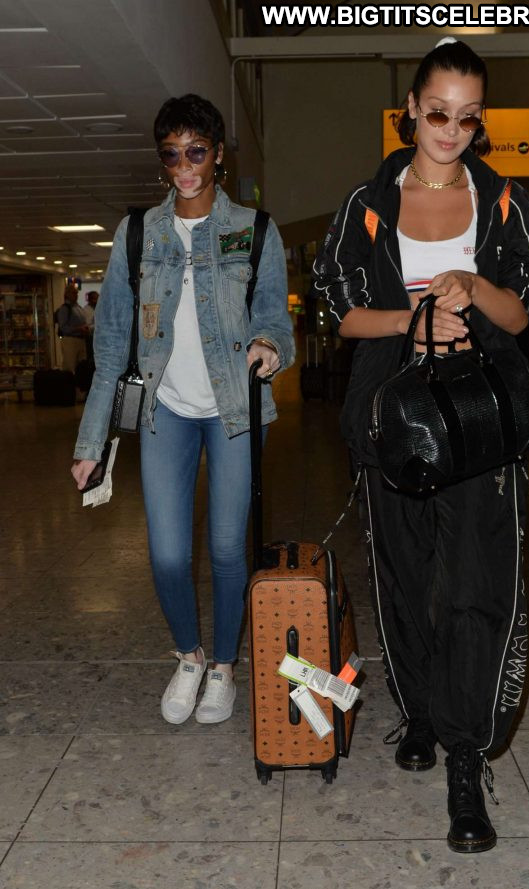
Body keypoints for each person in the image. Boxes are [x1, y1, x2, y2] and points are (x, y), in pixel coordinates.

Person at [313, 37, 529, 854]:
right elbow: (341, 313)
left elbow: (520, 313)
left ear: (480, 122)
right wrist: (411, 319)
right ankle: (417, 708)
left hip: (480, 418)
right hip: (396, 415)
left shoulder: (505, 203)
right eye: (438, 113)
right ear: (410, 111)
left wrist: (474, 287)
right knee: (405, 572)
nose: (451, 130)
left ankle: (464, 755)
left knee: (476, 585)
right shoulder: (367, 203)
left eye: (468, 117)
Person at [71, 94, 294, 726]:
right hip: (163, 408)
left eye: (196, 152)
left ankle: (223, 665)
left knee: (226, 549)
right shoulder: (138, 232)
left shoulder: (255, 229)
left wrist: (268, 344)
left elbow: (276, 318)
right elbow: (111, 344)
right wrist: (91, 442)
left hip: (234, 411)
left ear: (219, 154)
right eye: (171, 155)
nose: (184, 167)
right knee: (167, 554)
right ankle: (189, 656)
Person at [55, 283, 89, 373]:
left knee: (82, 367)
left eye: (76, 293)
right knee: (70, 366)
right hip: (70, 340)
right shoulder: (65, 309)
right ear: (67, 294)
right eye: (73, 293)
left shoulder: (79, 308)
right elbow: (63, 327)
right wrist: (78, 329)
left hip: (81, 340)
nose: (76, 295)